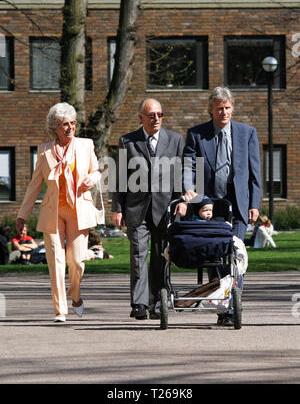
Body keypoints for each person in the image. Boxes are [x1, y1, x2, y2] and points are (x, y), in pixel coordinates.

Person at [16, 102, 103, 323]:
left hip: (78, 210)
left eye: (73, 123)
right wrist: (22, 214)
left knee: (76, 261)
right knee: (55, 260)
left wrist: (90, 180)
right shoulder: (44, 151)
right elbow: (35, 185)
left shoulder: (85, 145)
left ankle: (75, 295)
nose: (70, 128)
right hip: (53, 212)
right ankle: (60, 310)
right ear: (55, 127)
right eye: (65, 124)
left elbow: (96, 171)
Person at [181, 86, 262, 326]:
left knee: (235, 254)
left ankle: (233, 303)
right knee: (215, 254)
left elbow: (255, 172)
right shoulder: (197, 134)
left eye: (227, 108)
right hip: (210, 206)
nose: (224, 112)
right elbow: (188, 166)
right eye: (219, 109)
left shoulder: (246, 132)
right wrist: (188, 188)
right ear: (211, 110)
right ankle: (222, 306)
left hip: (238, 204)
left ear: (232, 108)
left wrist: (254, 203)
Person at [112, 98, 184, 320]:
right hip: (137, 208)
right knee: (138, 254)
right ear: (140, 117)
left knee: (161, 256)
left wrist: (183, 200)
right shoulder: (128, 141)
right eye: (151, 115)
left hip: (165, 210)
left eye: (159, 114)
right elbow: (120, 177)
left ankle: (158, 302)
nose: (156, 119)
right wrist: (117, 207)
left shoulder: (176, 140)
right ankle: (140, 303)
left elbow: (184, 172)